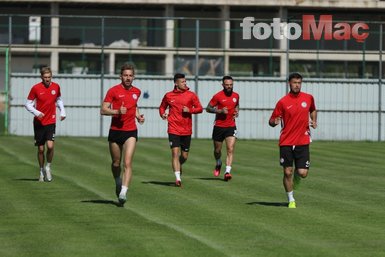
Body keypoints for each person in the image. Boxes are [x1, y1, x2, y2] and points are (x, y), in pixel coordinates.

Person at [268, 72, 317, 209]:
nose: (297, 85)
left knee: (303, 173)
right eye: (294, 82)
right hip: (286, 141)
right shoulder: (282, 102)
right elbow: (271, 121)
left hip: (303, 140)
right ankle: (291, 199)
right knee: (287, 172)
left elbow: (313, 109)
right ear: (289, 83)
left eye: (299, 82)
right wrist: (274, 121)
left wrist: (314, 120)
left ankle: (297, 177)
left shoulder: (308, 98)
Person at [100, 64, 145, 206]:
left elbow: (134, 105)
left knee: (127, 163)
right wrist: (117, 112)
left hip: (130, 131)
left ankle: (123, 192)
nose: (128, 78)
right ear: (121, 76)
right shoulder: (113, 91)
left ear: (133, 77)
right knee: (116, 163)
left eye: (130, 75)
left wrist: (138, 116)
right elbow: (103, 110)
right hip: (115, 131)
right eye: (125, 75)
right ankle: (118, 181)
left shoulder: (137, 91)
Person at [159, 73, 203, 187]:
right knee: (174, 153)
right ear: (176, 83)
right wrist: (162, 114)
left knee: (184, 156)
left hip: (186, 130)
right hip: (173, 128)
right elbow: (162, 107)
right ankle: (178, 178)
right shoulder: (168, 95)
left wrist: (190, 110)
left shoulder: (191, 95)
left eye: (185, 81)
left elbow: (200, 109)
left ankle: (179, 164)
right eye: (182, 82)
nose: (185, 83)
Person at [25, 66, 66, 182]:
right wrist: (37, 112)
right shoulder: (35, 88)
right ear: (41, 77)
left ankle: (48, 167)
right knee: (41, 149)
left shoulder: (56, 87)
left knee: (50, 146)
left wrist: (62, 111)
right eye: (45, 77)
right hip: (39, 122)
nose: (47, 79)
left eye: (49, 77)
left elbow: (59, 100)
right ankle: (41, 170)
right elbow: (27, 104)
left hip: (51, 121)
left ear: (51, 76)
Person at [206, 76, 239, 181]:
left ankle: (227, 172)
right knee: (217, 150)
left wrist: (236, 112)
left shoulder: (236, 95)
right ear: (223, 85)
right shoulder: (217, 96)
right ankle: (218, 162)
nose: (229, 87)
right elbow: (208, 108)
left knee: (230, 149)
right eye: (227, 85)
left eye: (231, 85)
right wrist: (219, 111)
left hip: (231, 126)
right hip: (219, 127)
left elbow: (236, 105)